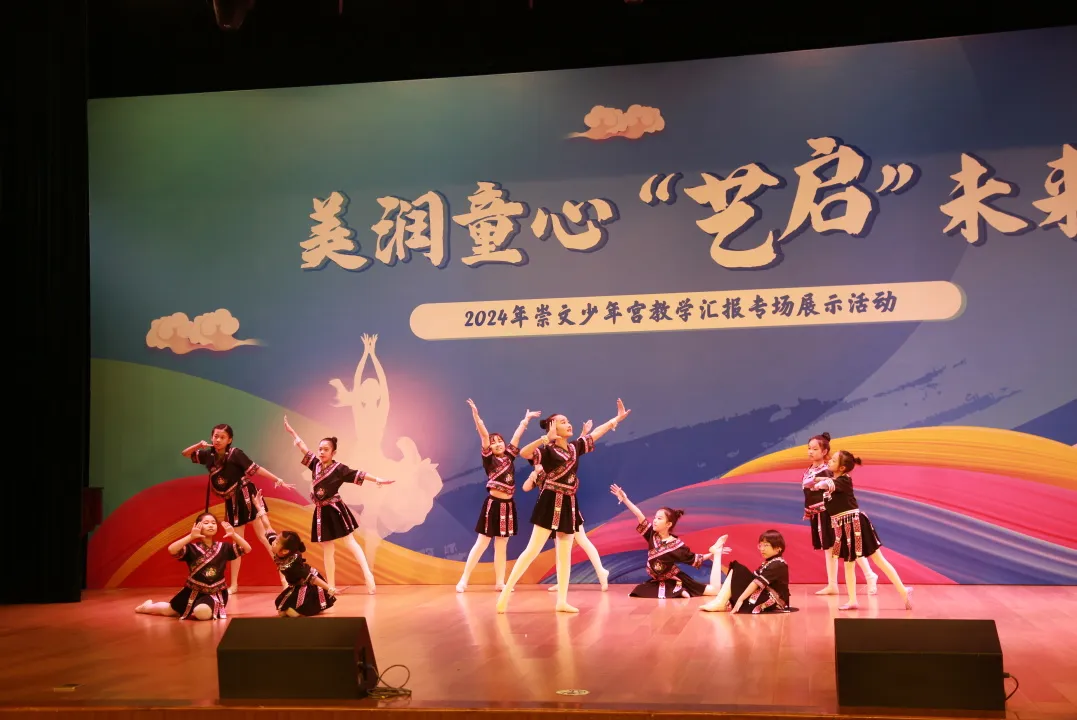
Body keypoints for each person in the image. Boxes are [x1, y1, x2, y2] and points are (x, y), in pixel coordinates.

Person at [495, 399, 631, 614]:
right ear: (553, 428)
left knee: (565, 553)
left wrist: (616, 419)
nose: (569, 424)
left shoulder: (575, 447)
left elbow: (596, 433)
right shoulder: (546, 450)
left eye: (568, 421)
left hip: (569, 502)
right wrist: (544, 439)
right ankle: (505, 594)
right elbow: (525, 454)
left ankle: (562, 601)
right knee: (532, 550)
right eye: (563, 422)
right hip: (550, 501)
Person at [283, 416, 394, 593]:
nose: (321, 452)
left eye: (326, 449)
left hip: (336, 510)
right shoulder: (315, 465)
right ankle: (331, 587)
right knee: (327, 549)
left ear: (333, 452)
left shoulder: (339, 469)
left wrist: (377, 479)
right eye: (320, 449)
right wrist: (292, 433)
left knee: (350, 543)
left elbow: (359, 474)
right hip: (322, 511)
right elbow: (303, 448)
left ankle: (368, 575)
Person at [182, 423, 293, 593]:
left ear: (229, 440)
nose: (218, 440)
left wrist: (278, 480)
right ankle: (234, 585)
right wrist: (199, 445)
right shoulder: (209, 455)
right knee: (236, 543)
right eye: (216, 436)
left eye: (222, 437)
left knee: (265, 538)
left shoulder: (235, 453)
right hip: (231, 501)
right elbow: (186, 453)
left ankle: (284, 578)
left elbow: (256, 469)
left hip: (247, 497)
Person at [456, 401, 541, 592]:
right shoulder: (489, 459)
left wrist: (525, 420)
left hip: (508, 506)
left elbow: (516, 437)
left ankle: (500, 582)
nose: (497, 444)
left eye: (499, 441)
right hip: (493, 505)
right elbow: (484, 435)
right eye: (493, 443)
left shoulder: (509, 456)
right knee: (482, 543)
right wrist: (477, 417)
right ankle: (463, 580)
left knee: (501, 546)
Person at [813, 450, 913, 611]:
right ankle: (852, 600)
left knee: (878, 560)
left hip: (855, 524)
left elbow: (829, 484)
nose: (829, 461)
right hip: (843, 526)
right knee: (849, 564)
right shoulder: (837, 480)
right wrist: (821, 480)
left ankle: (902, 590)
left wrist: (820, 483)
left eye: (834, 460)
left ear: (842, 468)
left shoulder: (844, 480)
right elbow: (830, 483)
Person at [609, 484, 731, 598]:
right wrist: (625, 499)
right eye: (655, 517)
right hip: (658, 581)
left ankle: (715, 554)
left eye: (659, 518)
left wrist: (712, 554)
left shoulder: (677, 546)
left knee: (714, 591)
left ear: (668, 524)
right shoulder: (652, 535)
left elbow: (694, 558)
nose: (655, 520)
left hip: (676, 578)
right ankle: (679, 591)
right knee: (639, 590)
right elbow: (639, 515)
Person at [134, 512, 251, 620]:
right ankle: (147, 607)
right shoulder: (192, 548)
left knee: (202, 612)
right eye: (206, 523)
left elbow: (247, 548)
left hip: (215, 593)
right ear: (198, 526)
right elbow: (172, 550)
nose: (211, 525)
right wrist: (191, 536)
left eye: (213, 523)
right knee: (170, 611)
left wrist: (234, 535)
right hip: (192, 591)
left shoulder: (224, 547)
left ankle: (202, 607)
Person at [802, 432, 878, 596]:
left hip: (830, 515)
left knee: (848, 546)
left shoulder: (829, 470)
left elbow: (833, 490)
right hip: (818, 515)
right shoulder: (809, 470)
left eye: (815, 449)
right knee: (829, 549)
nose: (811, 452)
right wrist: (809, 511)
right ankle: (832, 585)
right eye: (809, 448)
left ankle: (870, 575)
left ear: (824, 451)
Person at [699, 529, 792, 614]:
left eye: (766, 545)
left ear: (778, 548)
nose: (762, 549)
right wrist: (717, 560)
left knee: (738, 568)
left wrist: (740, 599)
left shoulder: (778, 564)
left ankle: (720, 602)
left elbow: (755, 583)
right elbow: (742, 577)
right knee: (736, 569)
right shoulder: (770, 562)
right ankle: (720, 601)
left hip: (772, 602)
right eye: (760, 545)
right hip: (764, 595)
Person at [266, 530, 338, 617]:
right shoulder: (279, 549)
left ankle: (306, 609)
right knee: (281, 607)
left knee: (294, 609)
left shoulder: (295, 565)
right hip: (295, 586)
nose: (273, 542)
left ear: (285, 551)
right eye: (275, 540)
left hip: (307, 585)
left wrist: (329, 588)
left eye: (276, 542)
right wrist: (267, 529)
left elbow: (312, 578)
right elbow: (271, 536)